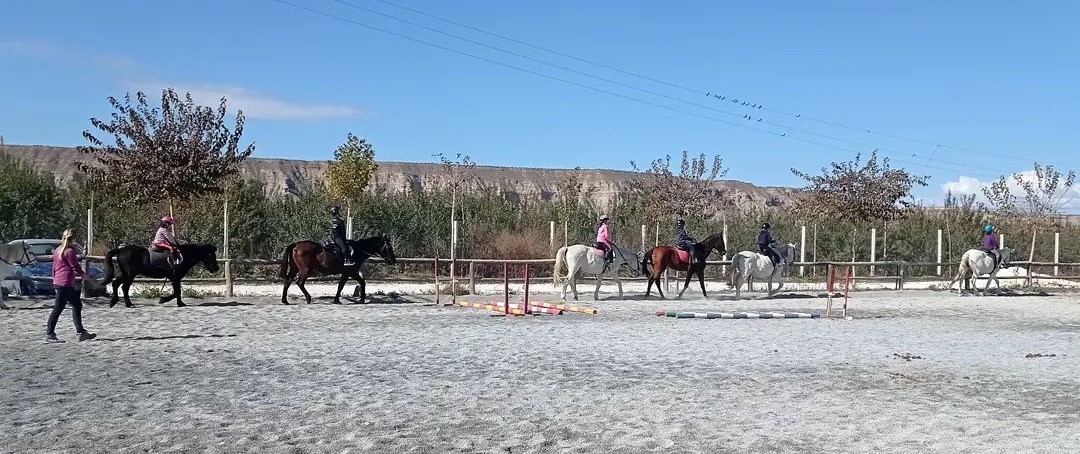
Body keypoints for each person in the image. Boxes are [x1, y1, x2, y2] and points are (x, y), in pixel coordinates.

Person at [46, 229, 96, 343]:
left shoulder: (58, 250)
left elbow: (54, 268)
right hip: (65, 283)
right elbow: (76, 269)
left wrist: (55, 280)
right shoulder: (69, 251)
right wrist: (88, 278)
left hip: (61, 282)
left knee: (77, 304)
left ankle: (81, 332)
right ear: (73, 239)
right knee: (58, 308)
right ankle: (49, 334)